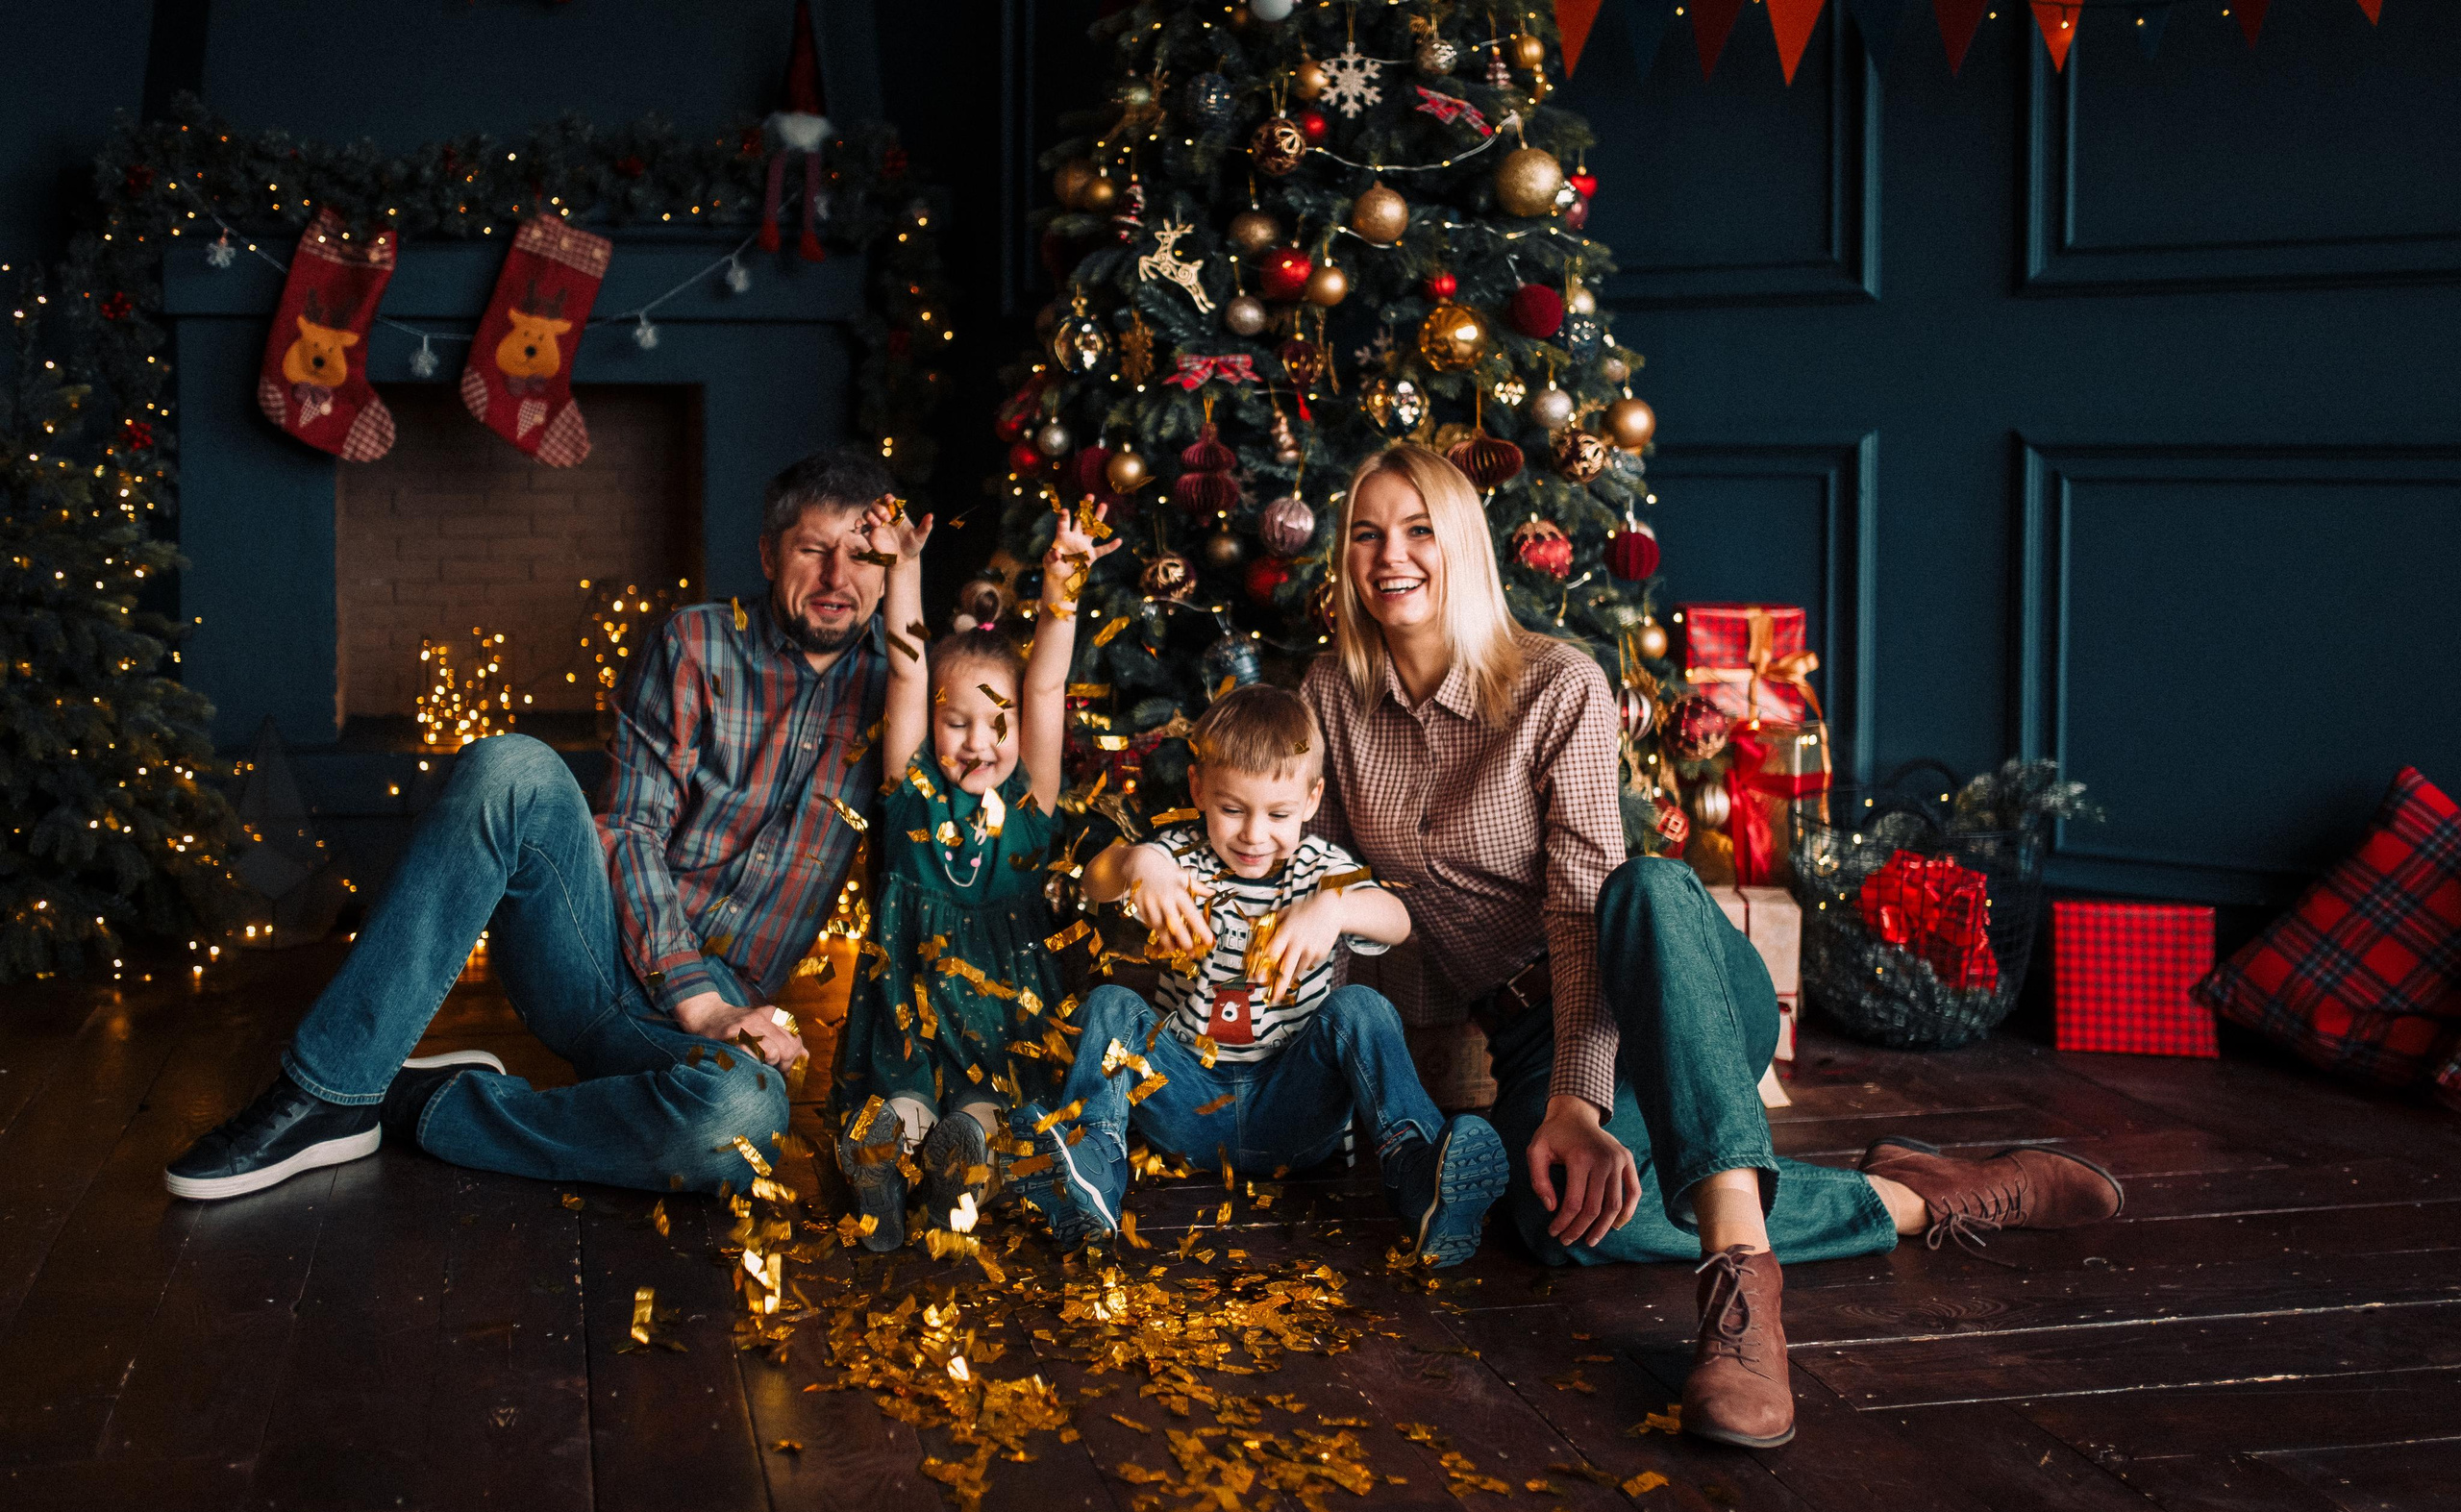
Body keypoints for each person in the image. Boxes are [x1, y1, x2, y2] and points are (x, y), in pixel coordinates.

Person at [1300, 442, 2125, 1449]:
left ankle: (1740, 1297)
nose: (1391, 555)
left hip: (1661, 980)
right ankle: (1920, 1197)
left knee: (1639, 886)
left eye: (1419, 529)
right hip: (1523, 1031)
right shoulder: (1329, 697)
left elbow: (1580, 912)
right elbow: (1323, 892)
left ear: (1464, 544)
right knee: (1553, 1223)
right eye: (1367, 534)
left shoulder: (1557, 683)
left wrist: (1576, 1103)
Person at [163, 447, 902, 1202]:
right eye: (812, 549)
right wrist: (699, 1000)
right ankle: (326, 1090)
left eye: (861, 556)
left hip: (713, 1016)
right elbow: (630, 826)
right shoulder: (697, 641)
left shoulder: (905, 697)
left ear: (890, 569)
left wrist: (722, 1014)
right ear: (770, 555)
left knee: (741, 1115)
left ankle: (419, 1102)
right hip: (589, 948)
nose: (836, 577)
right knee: (511, 766)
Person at [1013, 683, 1509, 1266]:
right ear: (1198, 788)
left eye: (1277, 814)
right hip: (1184, 1103)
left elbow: (1398, 921)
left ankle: (1419, 1174)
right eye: (1232, 809)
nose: (1253, 834)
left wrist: (1336, 907)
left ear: (1311, 799)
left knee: (1360, 1007)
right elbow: (1097, 880)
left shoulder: (1322, 872)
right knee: (1112, 1004)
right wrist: (1138, 862)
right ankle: (1092, 1170)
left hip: (1293, 1112)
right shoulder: (1177, 860)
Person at [830, 499, 1117, 1252]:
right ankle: (887, 1162)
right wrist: (904, 565)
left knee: (989, 1105)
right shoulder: (912, 787)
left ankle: (948, 1161)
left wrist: (1064, 584)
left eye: (998, 723)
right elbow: (906, 666)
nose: (978, 742)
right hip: (912, 985)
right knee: (911, 1093)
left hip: (1005, 996)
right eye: (956, 722)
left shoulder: (1029, 799)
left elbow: (1047, 685)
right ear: (932, 725)